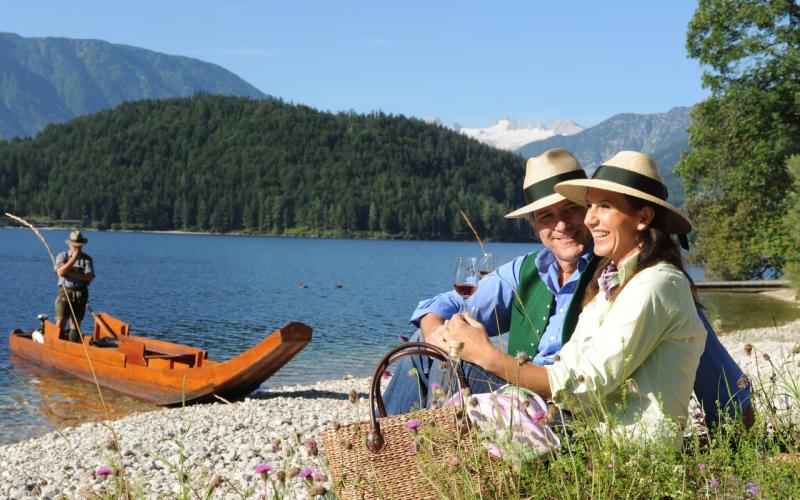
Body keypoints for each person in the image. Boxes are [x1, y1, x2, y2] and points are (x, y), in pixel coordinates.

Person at [383, 148, 753, 429]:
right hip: (524, 397)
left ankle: (382, 470)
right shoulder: (524, 271)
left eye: (574, 210)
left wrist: (741, 429)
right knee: (420, 352)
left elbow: (699, 348)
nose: (563, 225)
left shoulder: (629, 275)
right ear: (533, 226)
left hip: (567, 412)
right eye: (547, 215)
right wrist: (439, 335)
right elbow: (439, 305)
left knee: (428, 366)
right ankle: (383, 463)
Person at [54, 230, 95, 342]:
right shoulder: (62, 256)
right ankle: (56, 344)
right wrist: (73, 259)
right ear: (69, 244)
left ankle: (72, 345)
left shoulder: (87, 259)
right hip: (65, 291)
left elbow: (89, 277)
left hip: (81, 293)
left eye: (79, 246)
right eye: (75, 246)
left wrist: (70, 273)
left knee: (75, 323)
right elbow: (61, 272)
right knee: (61, 321)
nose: (77, 249)